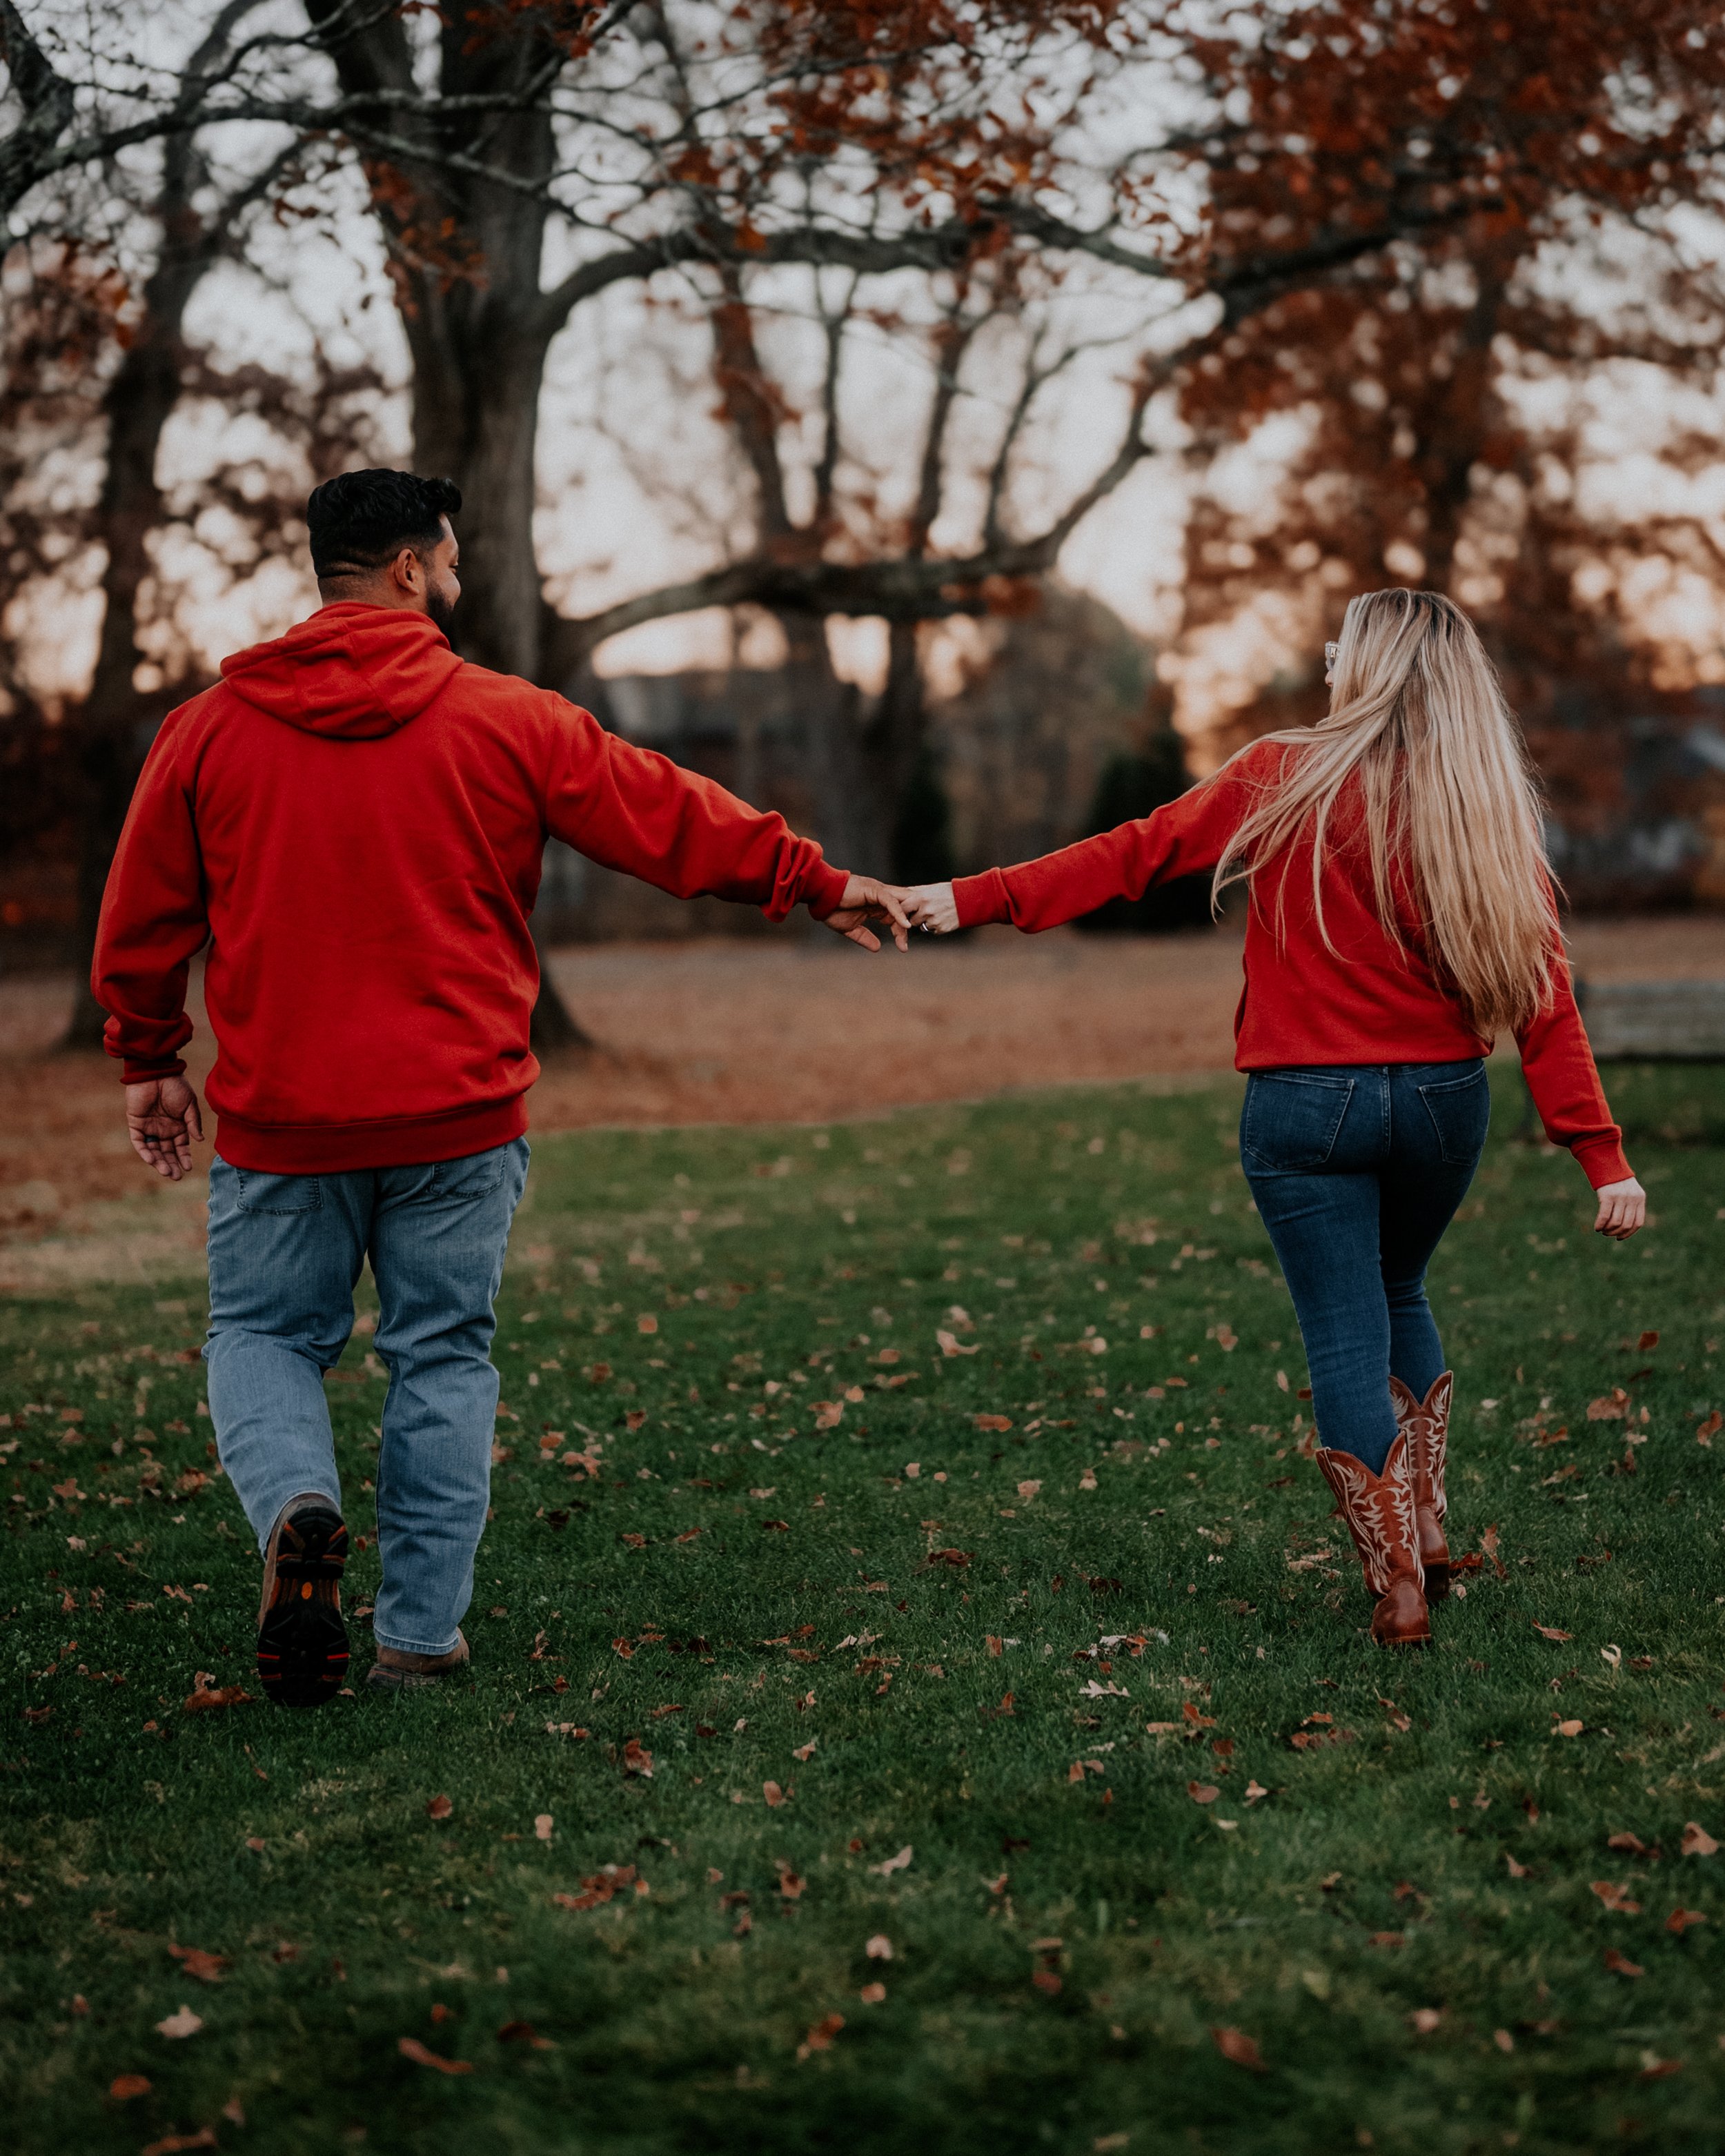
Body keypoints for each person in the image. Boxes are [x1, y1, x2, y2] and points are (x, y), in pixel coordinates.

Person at [93, 468, 908, 1709]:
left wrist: (149, 1052)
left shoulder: (209, 729)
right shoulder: (508, 717)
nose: (461, 585)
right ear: (412, 569)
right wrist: (814, 878)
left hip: (284, 1121)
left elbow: (144, 911)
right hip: (459, 1119)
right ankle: (419, 1638)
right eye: (455, 564)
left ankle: (300, 1511)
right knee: (442, 1358)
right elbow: (667, 817)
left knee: (263, 1335)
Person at [900, 588, 1644, 1648]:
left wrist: (972, 896)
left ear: (1372, 663)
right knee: (1403, 1284)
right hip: (1442, 1100)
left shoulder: (1281, 772)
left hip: (1304, 1104)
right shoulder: (1478, 804)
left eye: (1344, 638)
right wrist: (1601, 1157)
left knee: (1345, 1326)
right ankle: (1426, 1526)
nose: (1330, 651)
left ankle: (1397, 1586)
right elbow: (1545, 992)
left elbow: (1134, 852)